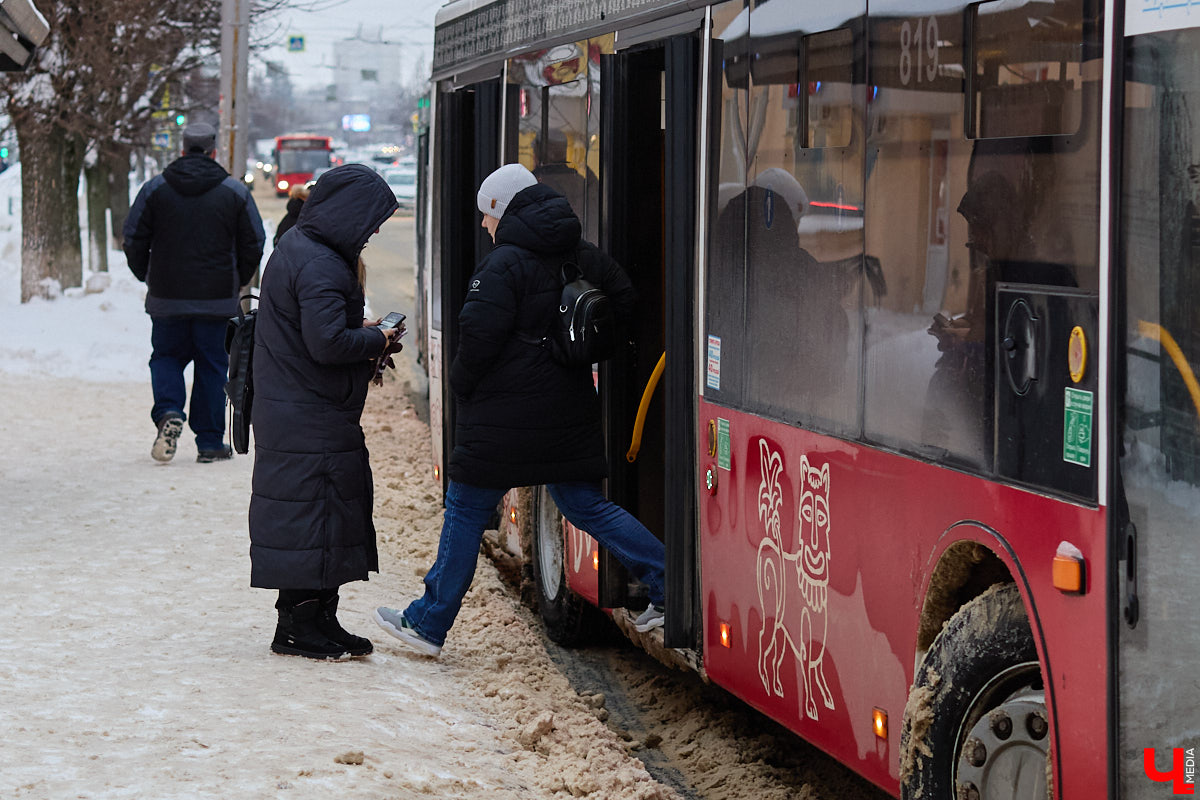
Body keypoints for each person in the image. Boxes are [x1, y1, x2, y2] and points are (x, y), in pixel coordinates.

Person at [374, 163, 667, 657]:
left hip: (501, 417)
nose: (486, 226)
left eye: (487, 216)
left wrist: (464, 386)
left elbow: (479, 339)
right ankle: (667, 584)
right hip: (567, 408)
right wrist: (577, 351)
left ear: (500, 211)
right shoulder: (580, 253)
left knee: (466, 508)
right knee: (586, 504)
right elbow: (624, 300)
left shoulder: (502, 264)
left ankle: (428, 623)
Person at [249, 164, 400, 660]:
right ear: (350, 213)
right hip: (308, 412)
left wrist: (364, 331)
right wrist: (375, 337)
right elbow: (328, 342)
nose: (375, 229)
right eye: (373, 218)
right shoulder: (319, 262)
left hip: (303, 407)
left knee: (324, 513)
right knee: (314, 514)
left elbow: (319, 328)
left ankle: (318, 619)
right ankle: (297, 626)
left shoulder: (303, 249)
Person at [124, 122, 265, 463]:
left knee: (166, 358)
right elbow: (254, 241)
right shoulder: (234, 192)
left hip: (167, 297)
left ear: (183, 150)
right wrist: (238, 279)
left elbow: (133, 238)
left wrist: (148, 275)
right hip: (216, 299)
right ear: (213, 151)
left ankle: (170, 411)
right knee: (213, 365)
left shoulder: (155, 189)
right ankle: (210, 442)